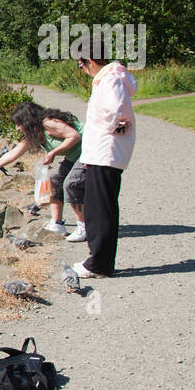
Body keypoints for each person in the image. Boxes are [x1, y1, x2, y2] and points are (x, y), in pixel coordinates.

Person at [72, 51, 137, 277]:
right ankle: (98, 259)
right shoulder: (110, 78)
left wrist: (106, 130)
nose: (83, 70)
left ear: (89, 61)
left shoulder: (110, 79)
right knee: (97, 206)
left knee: (101, 209)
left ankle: (99, 264)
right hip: (101, 153)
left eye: (81, 65)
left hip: (105, 152)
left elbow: (115, 110)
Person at [0, 101, 83, 234]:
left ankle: (83, 226)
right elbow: (12, 154)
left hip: (88, 153)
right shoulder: (34, 133)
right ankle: (58, 224)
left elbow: (75, 136)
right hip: (74, 158)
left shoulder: (48, 123)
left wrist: (53, 152)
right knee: (54, 184)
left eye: (19, 124)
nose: (17, 128)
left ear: (27, 121)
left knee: (71, 184)